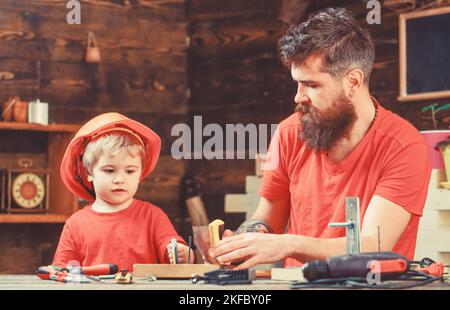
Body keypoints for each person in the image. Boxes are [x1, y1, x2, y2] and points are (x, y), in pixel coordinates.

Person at [208, 8, 431, 269]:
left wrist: (289, 244)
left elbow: (372, 245)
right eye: (297, 83)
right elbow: (267, 220)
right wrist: (243, 242)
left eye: (312, 85)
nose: (298, 96)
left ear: (353, 82)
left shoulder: (404, 145)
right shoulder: (288, 133)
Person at [53, 112, 193, 271]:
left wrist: (182, 254)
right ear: (89, 173)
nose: (120, 179)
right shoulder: (75, 224)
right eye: (109, 171)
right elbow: (60, 272)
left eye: (130, 171)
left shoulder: (152, 216)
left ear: (140, 173)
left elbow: (173, 251)